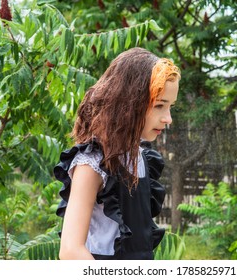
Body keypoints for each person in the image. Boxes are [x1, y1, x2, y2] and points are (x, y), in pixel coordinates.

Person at [53, 47, 181, 260]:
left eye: (171, 107)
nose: (168, 118)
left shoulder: (142, 157)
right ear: (129, 103)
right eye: (159, 105)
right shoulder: (92, 162)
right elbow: (70, 251)